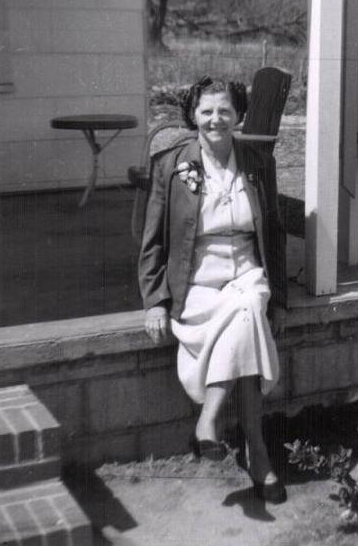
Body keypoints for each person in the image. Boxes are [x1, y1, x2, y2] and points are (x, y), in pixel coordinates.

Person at [138, 76, 287, 503]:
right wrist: (155, 300)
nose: (215, 119)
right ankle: (257, 452)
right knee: (247, 320)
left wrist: (280, 298)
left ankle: (209, 421)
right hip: (197, 277)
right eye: (206, 111)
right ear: (193, 115)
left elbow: (274, 232)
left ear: (238, 115)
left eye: (225, 110)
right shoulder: (170, 164)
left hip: (247, 272)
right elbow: (153, 240)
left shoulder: (258, 162)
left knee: (249, 303)